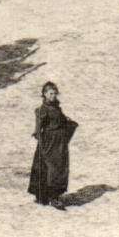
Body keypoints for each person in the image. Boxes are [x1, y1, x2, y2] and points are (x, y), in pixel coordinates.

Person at [28, 82, 77, 210]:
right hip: (49, 143)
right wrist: (43, 146)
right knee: (51, 168)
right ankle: (50, 197)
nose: (53, 96)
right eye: (50, 94)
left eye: (55, 93)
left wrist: (67, 121)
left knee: (60, 168)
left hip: (59, 142)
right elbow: (38, 129)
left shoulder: (57, 107)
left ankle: (54, 195)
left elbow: (59, 119)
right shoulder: (42, 110)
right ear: (44, 94)